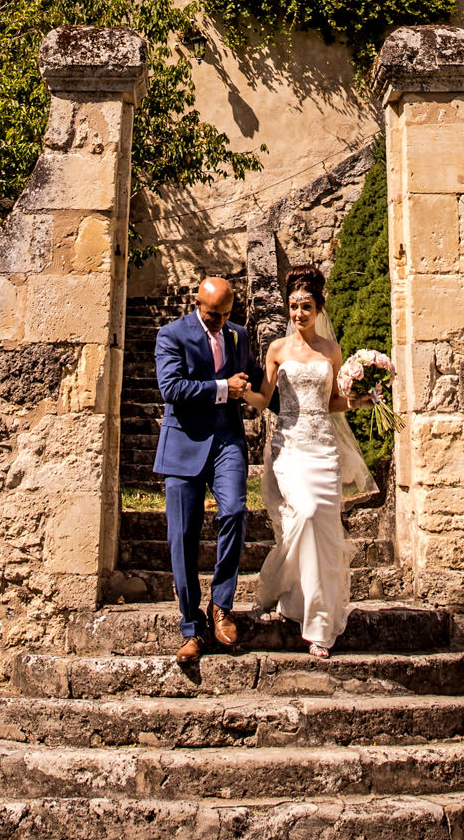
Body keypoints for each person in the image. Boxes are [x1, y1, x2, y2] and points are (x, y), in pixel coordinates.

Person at [242, 267, 373, 662]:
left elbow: (333, 400)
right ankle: (283, 588)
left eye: (307, 307)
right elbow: (265, 399)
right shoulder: (277, 350)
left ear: (319, 309)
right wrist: (238, 392)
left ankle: (317, 623)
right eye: (294, 306)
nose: (299, 313)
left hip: (323, 447)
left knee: (323, 529)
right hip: (291, 444)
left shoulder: (331, 352)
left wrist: (357, 401)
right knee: (305, 516)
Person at [153, 274, 264, 669]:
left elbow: (257, 374)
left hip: (227, 440)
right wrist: (222, 388)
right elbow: (171, 388)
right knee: (181, 537)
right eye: (212, 315)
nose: (219, 323)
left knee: (234, 510)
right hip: (183, 444)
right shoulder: (171, 335)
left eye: (226, 315)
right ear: (197, 303)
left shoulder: (239, 335)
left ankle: (222, 604)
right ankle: (190, 627)